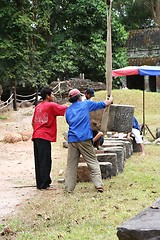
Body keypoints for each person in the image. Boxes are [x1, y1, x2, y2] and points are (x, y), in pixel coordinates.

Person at [65, 88, 113, 193]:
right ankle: (98, 185)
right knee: (92, 162)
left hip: (72, 139)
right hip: (84, 138)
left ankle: (69, 188)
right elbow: (102, 104)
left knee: (71, 165)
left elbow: (69, 122)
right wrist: (110, 100)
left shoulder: (68, 111)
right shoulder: (85, 104)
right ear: (79, 97)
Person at [32, 86, 67, 190]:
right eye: (52, 94)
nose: (54, 96)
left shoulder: (38, 107)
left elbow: (33, 122)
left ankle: (40, 183)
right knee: (45, 161)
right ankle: (44, 184)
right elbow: (65, 109)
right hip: (44, 136)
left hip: (36, 135)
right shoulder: (51, 105)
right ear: (47, 96)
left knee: (39, 161)